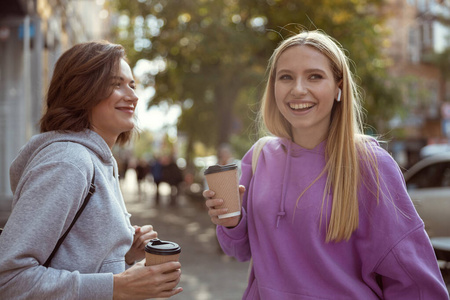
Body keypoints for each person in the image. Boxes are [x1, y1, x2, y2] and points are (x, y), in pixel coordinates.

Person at [203, 30, 448, 299]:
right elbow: (238, 251)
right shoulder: (259, 157)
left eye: (314, 76)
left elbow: (415, 280)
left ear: (338, 86)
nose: (298, 89)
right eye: (286, 77)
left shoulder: (372, 164)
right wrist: (232, 221)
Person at [0, 41, 182, 299]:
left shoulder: (99, 160)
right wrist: (118, 286)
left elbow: (72, 257)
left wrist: (121, 254)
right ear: (82, 90)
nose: (133, 95)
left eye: (131, 84)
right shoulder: (69, 163)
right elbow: (9, 279)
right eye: (115, 84)